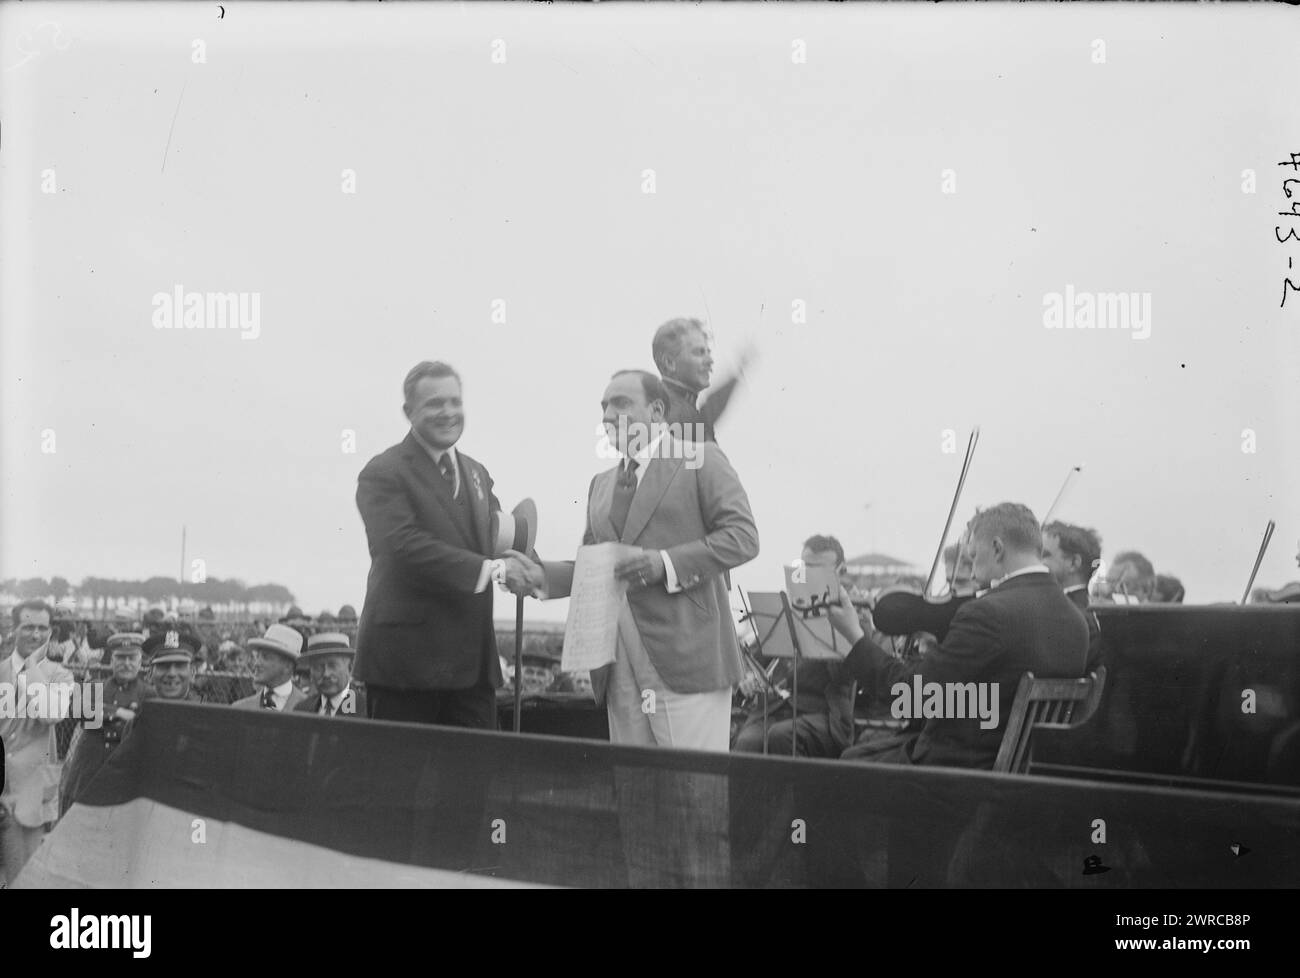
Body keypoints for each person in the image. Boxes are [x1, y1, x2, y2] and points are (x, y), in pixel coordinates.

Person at [505, 368, 760, 751]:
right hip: (614, 663)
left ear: (657, 412)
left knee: (693, 792)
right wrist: (538, 576)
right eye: (604, 406)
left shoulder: (702, 459)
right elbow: (593, 569)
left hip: (688, 660)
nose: (608, 415)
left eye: (620, 403)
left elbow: (743, 538)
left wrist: (665, 565)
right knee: (634, 792)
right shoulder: (600, 485)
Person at [826, 503, 1089, 769]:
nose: (972, 572)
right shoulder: (1077, 620)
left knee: (847, 763)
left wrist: (854, 636)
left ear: (997, 549)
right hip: (1023, 770)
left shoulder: (987, 613)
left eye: (973, 557)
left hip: (960, 771)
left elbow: (912, 696)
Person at [353, 360, 509, 729]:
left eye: (455, 402)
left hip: (473, 670)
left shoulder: (476, 473)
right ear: (409, 412)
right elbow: (403, 546)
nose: (448, 412)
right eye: (435, 404)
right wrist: (491, 570)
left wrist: (536, 572)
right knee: (403, 783)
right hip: (405, 670)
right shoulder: (383, 472)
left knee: (475, 783)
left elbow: (501, 537)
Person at [733, 535, 857, 757]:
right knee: (747, 741)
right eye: (804, 567)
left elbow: (847, 675)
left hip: (825, 713)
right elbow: (753, 659)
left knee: (782, 737)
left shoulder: (854, 614)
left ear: (840, 570)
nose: (808, 575)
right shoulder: (789, 610)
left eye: (818, 569)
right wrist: (748, 676)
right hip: (779, 708)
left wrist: (831, 628)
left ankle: (790, 793)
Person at [1, 600, 74, 885]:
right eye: (28, 626)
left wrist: (31, 665)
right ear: (13, 629)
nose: (35, 635)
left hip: (28, 799)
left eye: (42, 628)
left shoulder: (60, 675)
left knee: (24, 879)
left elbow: (51, 713)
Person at [60, 632, 154, 816]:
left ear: (140, 661)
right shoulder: (96, 685)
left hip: (124, 775)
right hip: (87, 772)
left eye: (132, 658)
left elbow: (142, 728)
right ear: (111, 660)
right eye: (120, 657)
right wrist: (118, 713)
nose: (126, 663)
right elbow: (78, 710)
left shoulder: (148, 694)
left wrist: (101, 713)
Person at [652, 317, 755, 444]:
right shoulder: (671, 411)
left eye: (708, 352)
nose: (710, 360)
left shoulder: (674, 405)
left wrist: (736, 375)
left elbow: (704, 417)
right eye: (699, 353)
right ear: (669, 362)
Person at [1041, 521, 1104, 669]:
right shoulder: (1091, 610)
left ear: (1074, 563)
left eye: (1045, 555)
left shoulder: (1065, 615)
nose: (1036, 562)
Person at [232, 624, 307, 711]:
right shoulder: (240, 709)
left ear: (287, 666)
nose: (256, 664)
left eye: (266, 657)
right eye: (257, 657)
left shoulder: (311, 710)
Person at [293, 632, 366, 718]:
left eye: (333, 666)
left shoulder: (367, 710)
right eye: (318, 667)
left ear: (349, 668)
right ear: (311, 672)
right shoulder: (301, 710)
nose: (326, 674)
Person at [150, 636, 206, 702]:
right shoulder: (138, 707)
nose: (172, 673)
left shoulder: (204, 710)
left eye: (180, 666)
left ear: (192, 673)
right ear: (150, 673)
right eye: (163, 666)